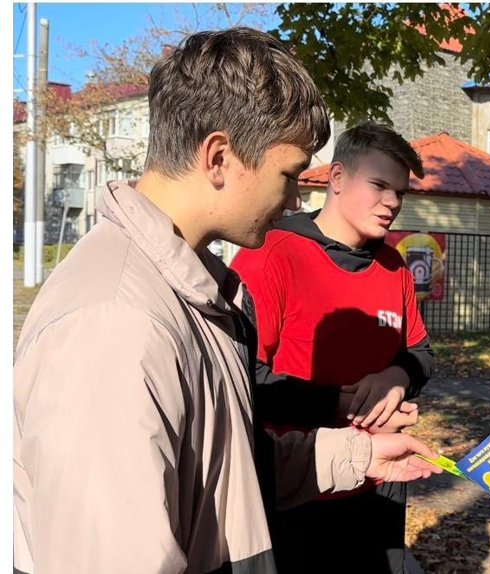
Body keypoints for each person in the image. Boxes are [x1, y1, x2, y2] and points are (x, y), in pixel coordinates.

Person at [13, 28, 440, 574]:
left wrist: (357, 454)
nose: (293, 198)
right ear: (218, 157)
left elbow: (224, 469)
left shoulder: (185, 290)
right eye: (288, 174)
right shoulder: (114, 322)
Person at [230, 122, 433, 573]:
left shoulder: (393, 265)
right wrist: (346, 406)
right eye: (379, 185)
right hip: (300, 489)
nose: (392, 203)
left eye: (400, 192)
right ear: (337, 178)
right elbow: (243, 381)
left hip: (381, 483)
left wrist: (395, 380)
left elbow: (419, 353)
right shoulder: (272, 253)